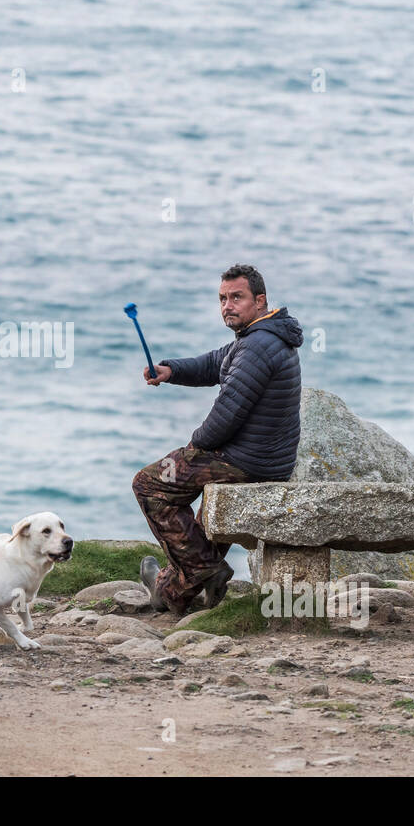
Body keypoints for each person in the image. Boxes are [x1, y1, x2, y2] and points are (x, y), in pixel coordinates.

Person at [132, 264, 303, 615]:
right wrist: (172, 370)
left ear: (260, 300)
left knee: (148, 483)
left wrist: (192, 448)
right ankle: (173, 590)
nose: (227, 305)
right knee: (198, 526)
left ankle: (203, 569)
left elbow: (227, 415)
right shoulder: (260, 337)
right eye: (222, 298)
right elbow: (215, 363)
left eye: (236, 297)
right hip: (262, 458)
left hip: (246, 462)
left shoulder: (258, 346)